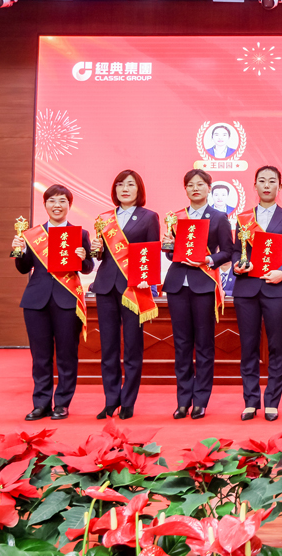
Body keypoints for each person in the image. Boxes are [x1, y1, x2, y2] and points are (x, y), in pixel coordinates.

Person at [12, 184, 94, 421]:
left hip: (66, 300)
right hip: (36, 301)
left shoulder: (80, 234)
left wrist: (83, 258)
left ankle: (62, 403)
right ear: (45, 204)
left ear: (69, 205)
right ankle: (41, 404)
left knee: (67, 354)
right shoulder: (32, 235)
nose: (57, 205)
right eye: (52, 201)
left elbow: (88, 268)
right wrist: (18, 251)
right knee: (40, 356)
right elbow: (23, 268)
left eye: (62, 201)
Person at [231, 165, 282, 422]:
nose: (267, 185)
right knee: (248, 346)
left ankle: (272, 401)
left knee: (277, 346)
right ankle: (251, 401)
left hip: (275, 289)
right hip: (246, 289)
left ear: (280, 187)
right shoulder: (243, 218)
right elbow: (234, 250)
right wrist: (237, 265)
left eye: (272, 181)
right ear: (255, 186)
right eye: (262, 181)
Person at [88, 170, 160, 421]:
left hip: (133, 289)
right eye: (120, 185)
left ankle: (128, 401)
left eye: (130, 184)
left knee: (132, 347)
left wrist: (149, 285)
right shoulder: (104, 218)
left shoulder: (149, 217)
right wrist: (96, 250)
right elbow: (101, 256)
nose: (125, 189)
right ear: (115, 190)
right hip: (105, 287)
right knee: (108, 348)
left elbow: (151, 253)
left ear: (139, 189)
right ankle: (111, 401)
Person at [162, 169, 233, 420]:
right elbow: (170, 253)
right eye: (190, 185)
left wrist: (208, 259)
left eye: (200, 184)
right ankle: (183, 401)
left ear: (208, 188)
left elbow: (228, 251)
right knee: (181, 345)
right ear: (185, 189)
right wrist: (168, 245)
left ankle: (201, 400)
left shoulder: (218, 217)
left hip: (203, 285)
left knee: (203, 344)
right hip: (176, 286)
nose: (195, 188)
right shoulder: (176, 217)